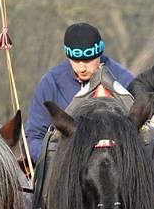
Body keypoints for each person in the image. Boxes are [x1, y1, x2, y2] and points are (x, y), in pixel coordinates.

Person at [25, 22, 134, 159]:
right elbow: (34, 137)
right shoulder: (50, 83)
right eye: (75, 61)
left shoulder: (125, 81)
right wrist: (56, 159)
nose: (81, 68)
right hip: (65, 166)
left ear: (99, 53)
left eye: (87, 61)